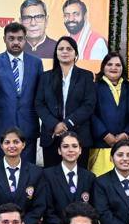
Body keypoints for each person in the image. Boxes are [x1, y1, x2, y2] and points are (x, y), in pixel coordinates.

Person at [0, 23, 43, 163]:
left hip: (28, 126)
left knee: (28, 169)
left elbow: (40, 95)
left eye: (20, 38)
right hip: (2, 126)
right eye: (11, 38)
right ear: (4, 39)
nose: (16, 42)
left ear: (25, 39)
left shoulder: (36, 63)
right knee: (3, 169)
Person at [37, 36, 95, 168]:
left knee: (78, 177)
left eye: (69, 49)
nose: (64, 51)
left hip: (79, 136)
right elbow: (39, 104)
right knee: (51, 177)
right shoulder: (45, 77)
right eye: (61, 49)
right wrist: (54, 124)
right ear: (56, 53)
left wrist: (66, 124)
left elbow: (89, 105)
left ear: (76, 53)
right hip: (52, 136)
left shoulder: (86, 76)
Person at [40, 132, 95, 224]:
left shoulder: (89, 177)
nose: (70, 150)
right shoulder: (47, 175)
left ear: (80, 150)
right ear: (59, 150)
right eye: (65, 146)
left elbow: (93, 210)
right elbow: (48, 212)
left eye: (74, 146)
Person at [90, 53, 129, 174]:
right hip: (101, 144)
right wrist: (105, 134)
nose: (113, 68)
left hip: (125, 145)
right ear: (103, 67)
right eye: (109, 64)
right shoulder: (94, 87)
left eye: (118, 65)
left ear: (122, 68)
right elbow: (90, 113)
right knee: (100, 179)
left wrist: (126, 133)